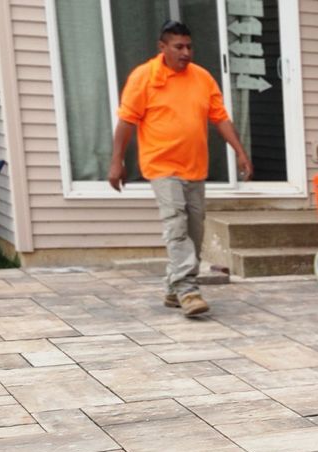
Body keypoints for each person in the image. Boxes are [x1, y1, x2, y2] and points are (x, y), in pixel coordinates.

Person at [108, 20, 253, 318]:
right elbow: (126, 121)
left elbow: (220, 118)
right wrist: (116, 161)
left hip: (194, 168)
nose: (186, 52)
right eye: (179, 47)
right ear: (162, 48)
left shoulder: (202, 78)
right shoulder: (144, 78)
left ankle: (174, 289)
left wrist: (240, 152)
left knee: (194, 230)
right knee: (176, 226)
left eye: (189, 46)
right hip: (161, 166)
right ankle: (188, 289)